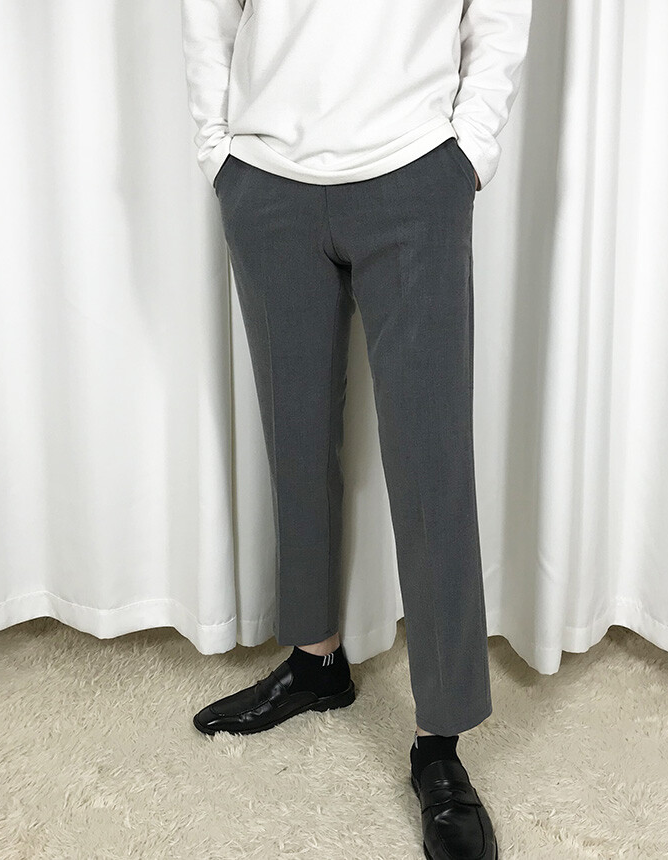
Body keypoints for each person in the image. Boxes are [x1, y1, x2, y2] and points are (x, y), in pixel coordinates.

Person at [180, 2, 532, 857]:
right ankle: (316, 660)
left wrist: (471, 147)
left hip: (414, 168)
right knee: (294, 437)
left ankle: (439, 742)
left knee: (430, 461)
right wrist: (219, 150)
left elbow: (497, 13)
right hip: (267, 173)